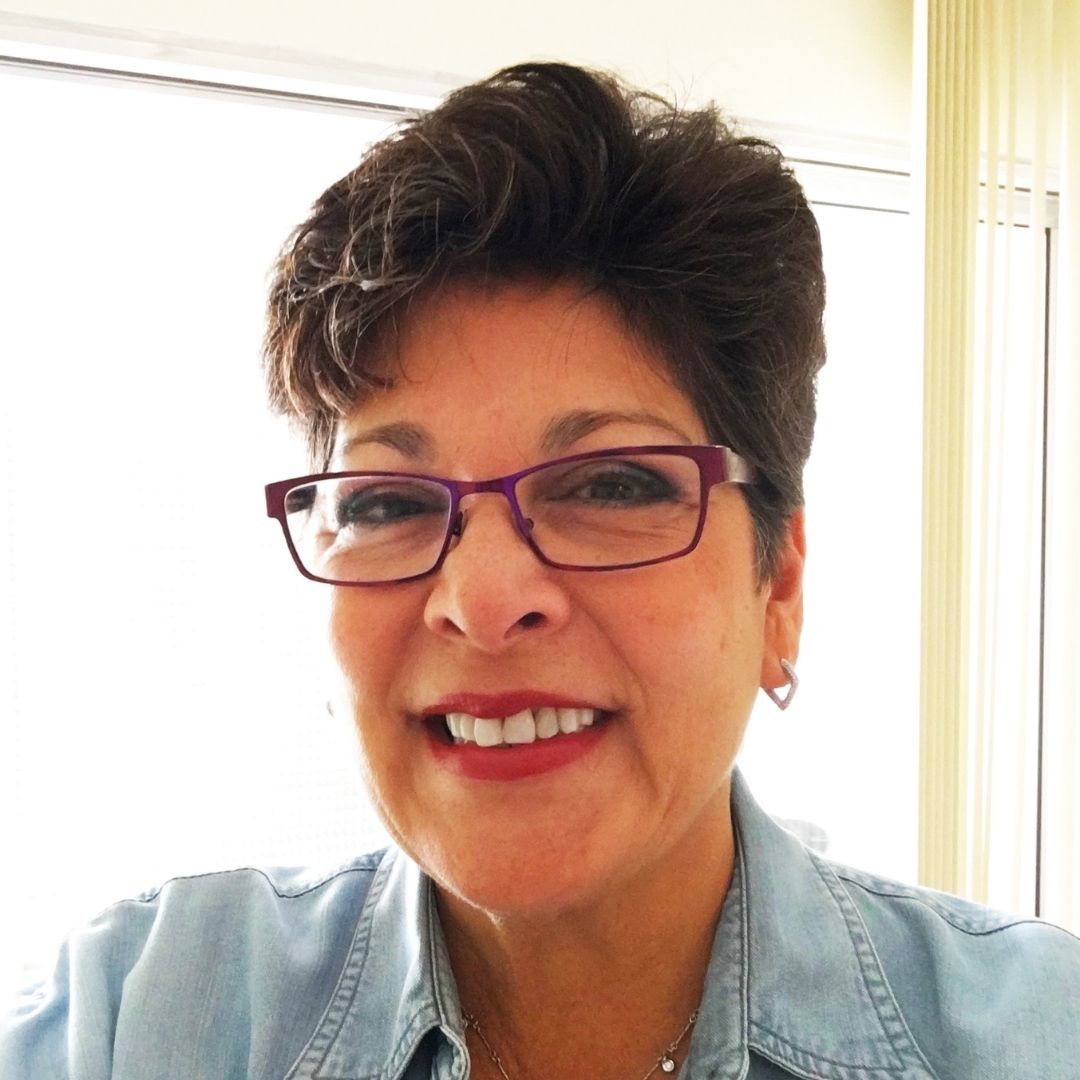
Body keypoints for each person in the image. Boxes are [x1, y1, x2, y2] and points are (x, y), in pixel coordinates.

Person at [3, 61, 1079, 1080]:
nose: (481, 601)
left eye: (612, 485)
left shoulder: (1035, 1035)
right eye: (385, 501)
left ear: (778, 589)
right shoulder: (133, 1014)